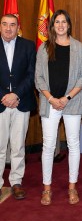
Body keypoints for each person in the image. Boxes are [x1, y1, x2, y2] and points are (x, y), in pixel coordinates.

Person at [35, 9, 82, 206]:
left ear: (69, 24)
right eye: (57, 22)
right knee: (48, 146)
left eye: (64, 22)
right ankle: (46, 188)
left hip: (71, 102)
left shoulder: (79, 47)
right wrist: (50, 98)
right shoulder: (44, 48)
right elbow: (38, 77)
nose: (61, 25)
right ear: (52, 25)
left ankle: (72, 187)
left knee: (73, 144)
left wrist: (66, 97)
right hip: (50, 104)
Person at [0, 14, 36, 200]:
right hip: (0, 104)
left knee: (18, 145)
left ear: (18, 27)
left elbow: (32, 74)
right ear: (0, 26)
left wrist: (16, 95)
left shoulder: (28, 46)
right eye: (5, 24)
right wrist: (4, 97)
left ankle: (16, 182)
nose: (8, 28)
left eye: (12, 25)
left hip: (21, 102)